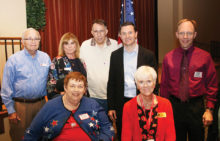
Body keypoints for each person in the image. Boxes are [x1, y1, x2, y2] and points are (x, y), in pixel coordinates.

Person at [160, 19, 218, 141]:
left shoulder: (205, 57)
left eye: (189, 33)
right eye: (182, 33)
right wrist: (164, 111)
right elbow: (164, 87)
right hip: (174, 108)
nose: (185, 37)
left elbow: (212, 86)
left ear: (195, 35)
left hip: (196, 108)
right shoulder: (168, 58)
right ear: (176, 34)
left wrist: (209, 109)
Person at [24, 72, 115, 141]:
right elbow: (32, 133)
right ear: (65, 88)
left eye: (80, 86)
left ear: (84, 90)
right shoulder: (50, 106)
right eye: (72, 86)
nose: (76, 90)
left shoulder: (92, 105)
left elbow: (108, 128)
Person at [107, 22, 157, 140]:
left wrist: (153, 103)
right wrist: (111, 106)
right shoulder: (115, 55)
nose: (127, 36)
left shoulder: (148, 55)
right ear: (120, 35)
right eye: (123, 33)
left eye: (130, 32)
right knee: (124, 133)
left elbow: (155, 82)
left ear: (136, 34)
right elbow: (111, 82)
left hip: (142, 100)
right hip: (121, 103)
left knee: (143, 132)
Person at [1, 28, 51, 141]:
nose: (33, 41)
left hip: (41, 104)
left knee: (41, 136)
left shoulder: (46, 58)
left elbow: (51, 81)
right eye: (29, 38)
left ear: (40, 41)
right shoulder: (13, 60)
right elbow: (5, 88)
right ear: (22, 41)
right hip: (20, 107)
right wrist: (11, 111)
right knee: (20, 137)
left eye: (36, 38)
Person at [122, 66, 175, 141]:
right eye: (141, 82)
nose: (145, 85)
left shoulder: (166, 104)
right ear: (137, 85)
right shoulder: (128, 106)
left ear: (154, 83)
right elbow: (126, 137)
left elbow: (170, 135)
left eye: (149, 81)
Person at [80, 19, 118, 112]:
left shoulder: (115, 45)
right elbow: (80, 68)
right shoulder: (85, 46)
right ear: (91, 32)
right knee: (94, 124)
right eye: (96, 31)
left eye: (101, 31)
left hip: (112, 96)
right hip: (92, 95)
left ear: (106, 31)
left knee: (109, 124)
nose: (99, 34)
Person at [47, 32, 86, 99]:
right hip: (64, 101)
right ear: (62, 46)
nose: (69, 46)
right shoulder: (57, 61)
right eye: (66, 43)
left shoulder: (81, 61)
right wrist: (60, 95)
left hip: (82, 99)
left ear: (76, 45)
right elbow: (50, 86)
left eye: (72, 43)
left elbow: (85, 83)